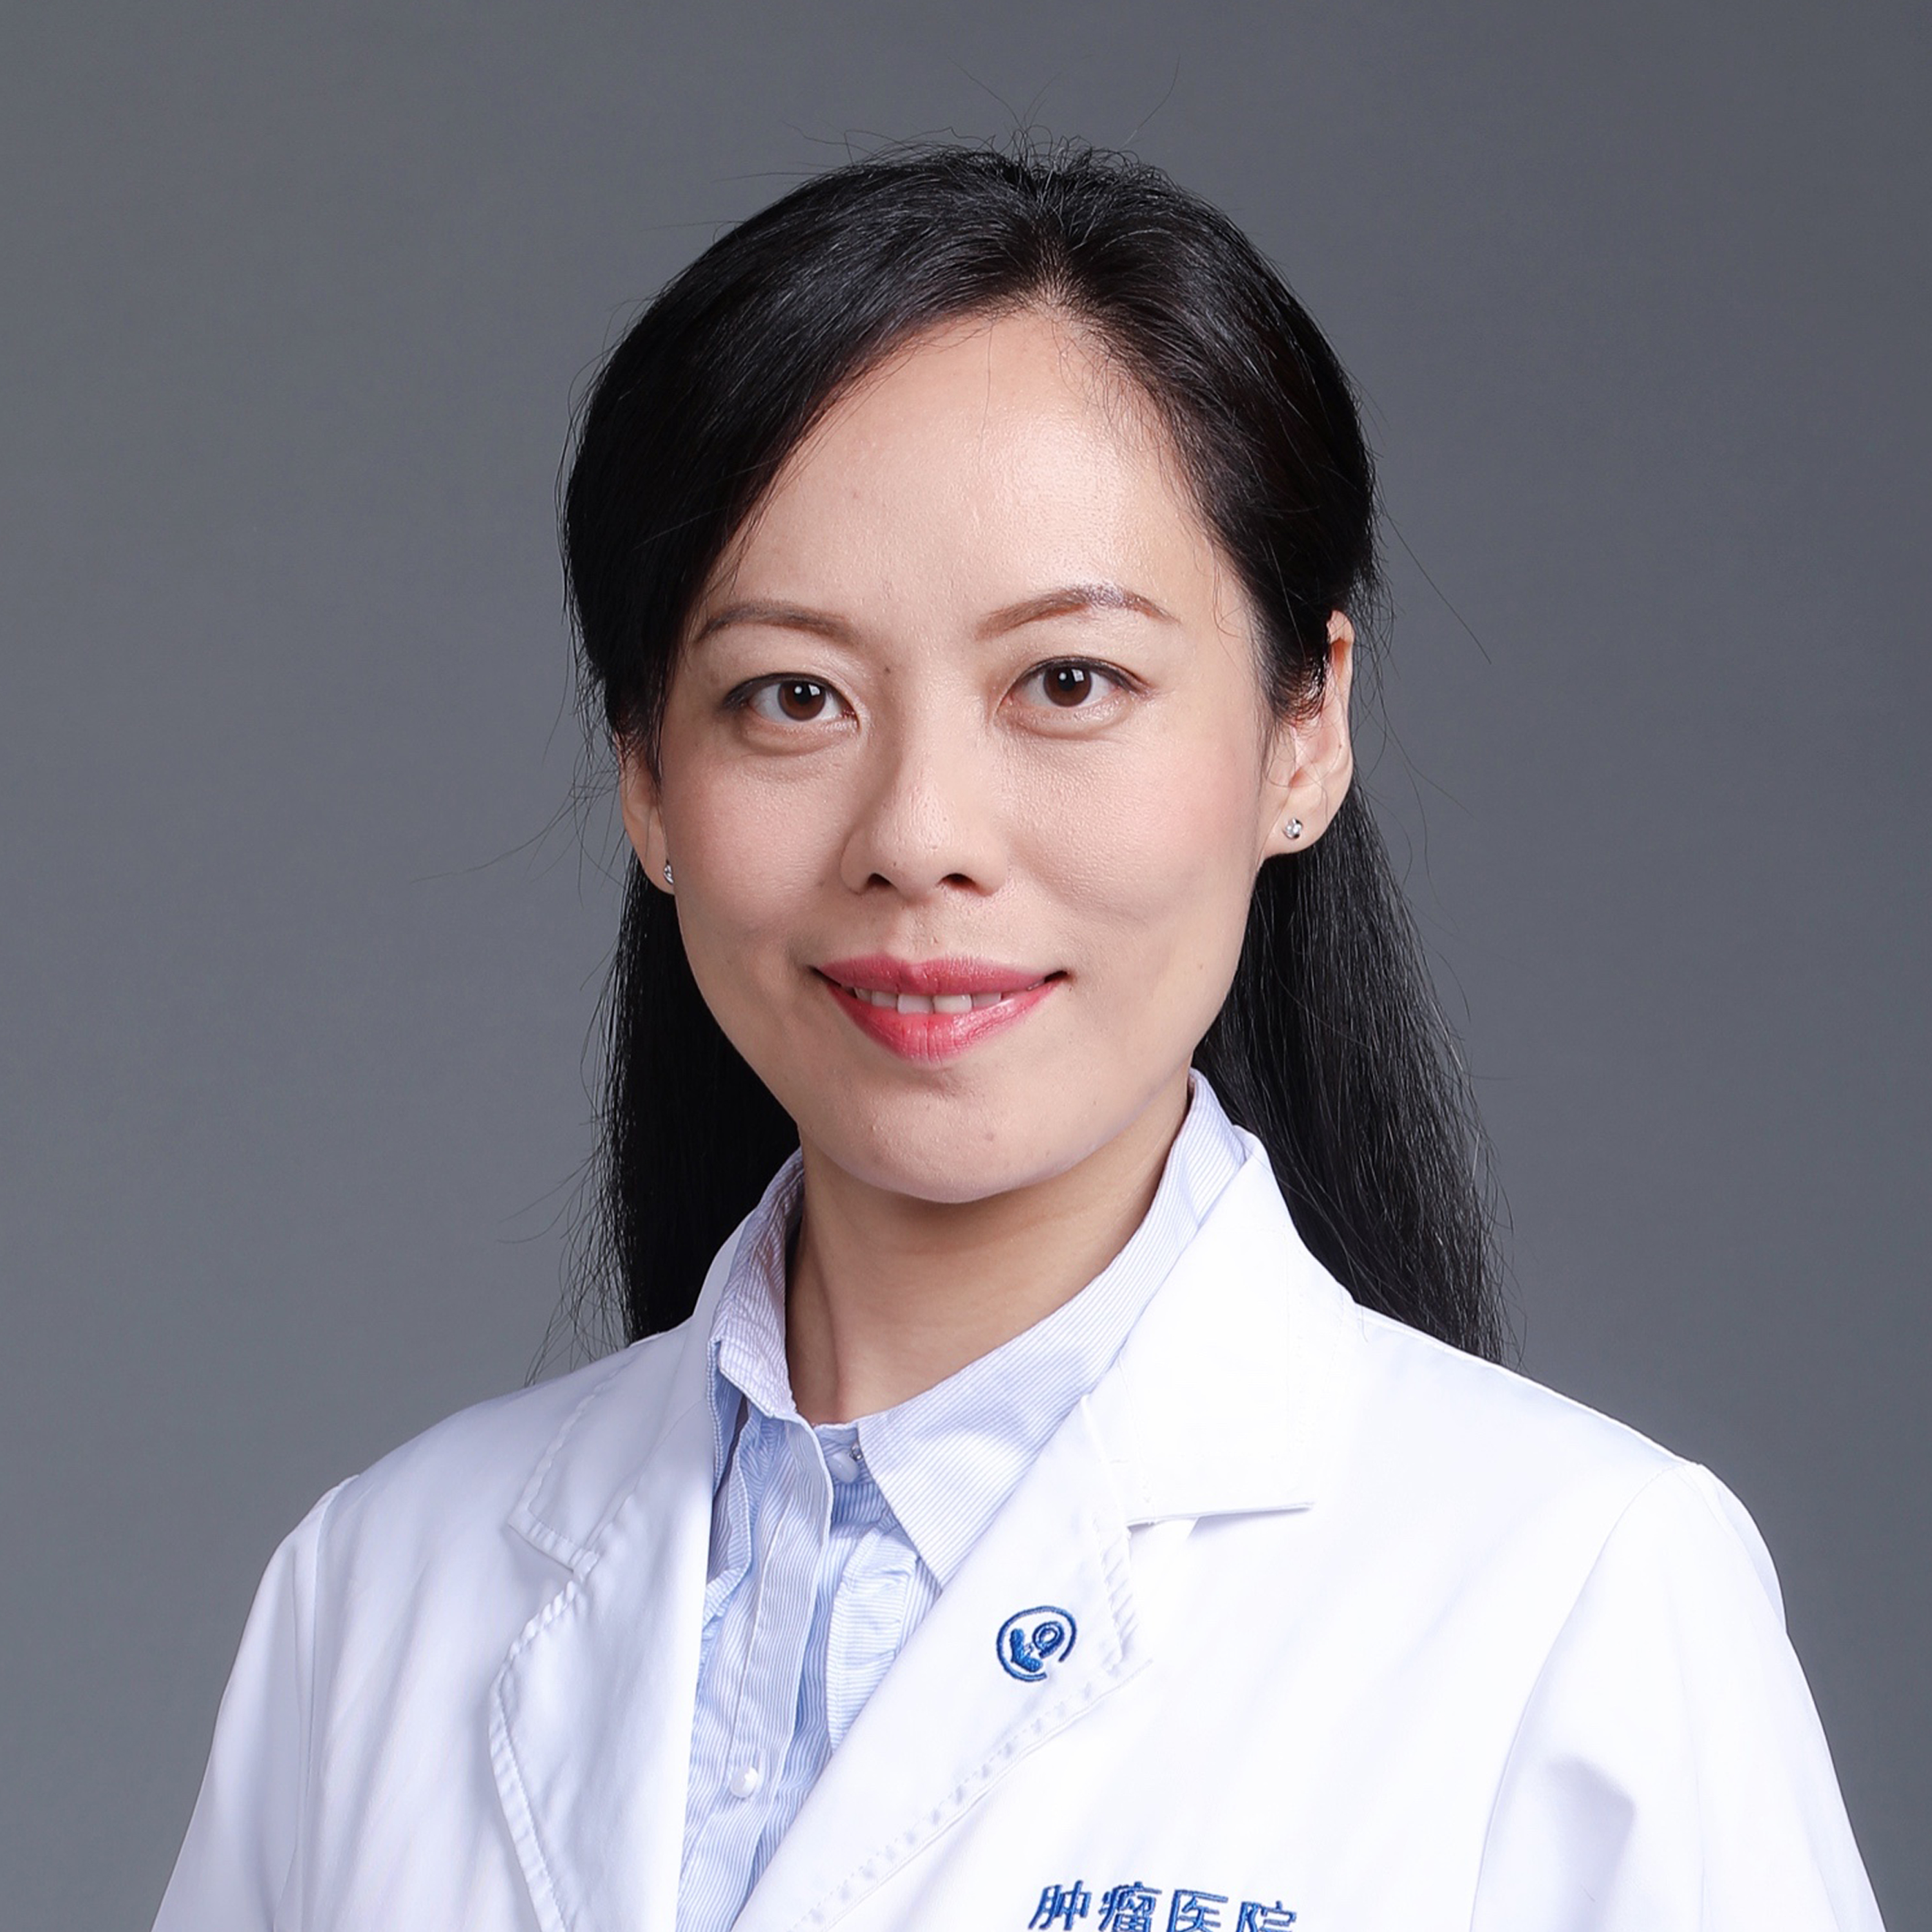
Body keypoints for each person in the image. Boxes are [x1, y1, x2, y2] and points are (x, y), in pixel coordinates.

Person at [152, 144, 1884, 1932]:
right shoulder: (379, 1596)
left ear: (1301, 733)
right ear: (647, 778)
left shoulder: (1575, 1601)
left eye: (1068, 682)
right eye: (792, 696)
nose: (920, 831)